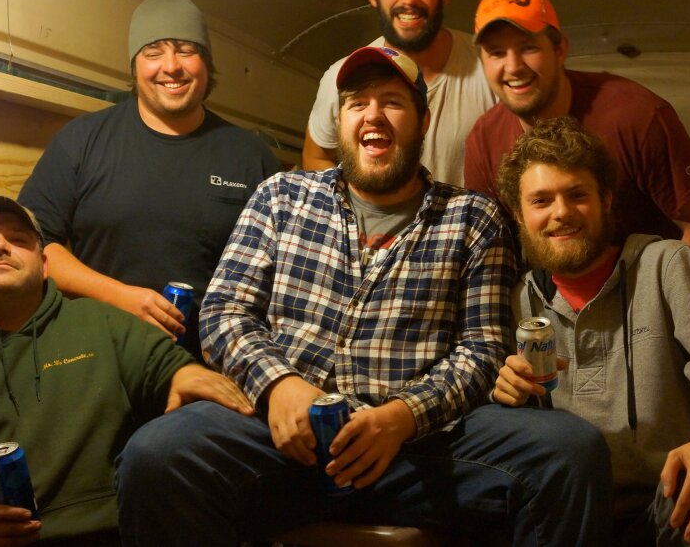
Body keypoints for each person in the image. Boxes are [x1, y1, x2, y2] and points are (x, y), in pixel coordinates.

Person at [116, 47, 613, 546]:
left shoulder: (472, 218)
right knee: (156, 454)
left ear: (423, 120)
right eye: (357, 103)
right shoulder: (280, 196)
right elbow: (226, 311)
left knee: (570, 451)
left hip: (420, 450)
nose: (373, 114)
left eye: (392, 102)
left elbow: (482, 349)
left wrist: (404, 416)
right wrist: (280, 385)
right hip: (278, 438)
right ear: (340, 120)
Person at [0, 196, 253, 546]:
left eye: (19, 240)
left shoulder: (102, 323)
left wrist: (187, 377)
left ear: (45, 267)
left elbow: (171, 369)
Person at [493, 117, 690, 546]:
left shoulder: (669, 265)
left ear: (606, 201)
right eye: (541, 200)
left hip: (673, 501)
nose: (561, 212)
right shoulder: (518, 301)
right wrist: (506, 399)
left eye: (577, 195)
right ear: (520, 215)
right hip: (577, 513)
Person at [18, 0, 279, 357]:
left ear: (206, 62)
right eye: (153, 52)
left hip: (209, 366)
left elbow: (280, 276)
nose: (171, 67)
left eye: (187, 50)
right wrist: (122, 297)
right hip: (97, 355)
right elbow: (35, 245)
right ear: (134, 65)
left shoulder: (251, 158)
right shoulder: (82, 141)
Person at [463, 0, 690, 264]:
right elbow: (493, 253)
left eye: (528, 47)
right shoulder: (484, 142)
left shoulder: (636, 116)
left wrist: (660, 303)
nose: (514, 66)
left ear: (560, 49)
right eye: (496, 53)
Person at [301, 0, 495, 186]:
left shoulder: (489, 65)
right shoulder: (341, 76)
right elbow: (315, 157)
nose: (409, 0)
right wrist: (358, 215)